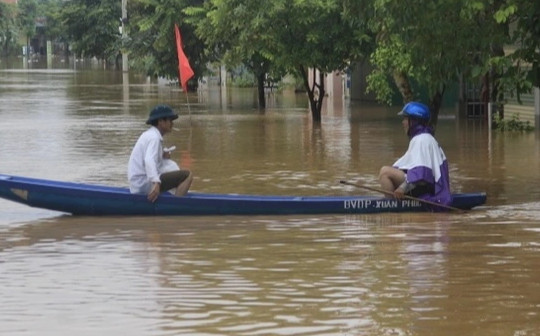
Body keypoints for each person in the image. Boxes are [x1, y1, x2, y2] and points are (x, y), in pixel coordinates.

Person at [378, 102, 452, 207]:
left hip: (428, 189)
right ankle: (392, 202)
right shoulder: (424, 137)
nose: (403, 123)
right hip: (429, 186)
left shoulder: (422, 140)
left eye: (405, 119)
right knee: (389, 170)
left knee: (385, 172)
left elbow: (422, 176)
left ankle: (391, 208)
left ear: (414, 121)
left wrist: (402, 188)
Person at [128, 105, 193, 202]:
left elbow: (148, 156)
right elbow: (149, 160)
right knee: (188, 175)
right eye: (169, 120)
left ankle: (176, 197)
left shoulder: (149, 134)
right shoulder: (154, 138)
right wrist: (156, 182)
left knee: (172, 170)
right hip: (143, 183)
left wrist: (162, 155)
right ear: (160, 122)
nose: (172, 123)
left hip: (137, 183)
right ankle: (177, 206)